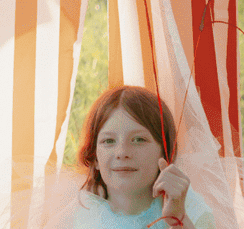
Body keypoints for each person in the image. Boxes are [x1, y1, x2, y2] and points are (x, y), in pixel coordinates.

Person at [70, 85, 215, 229]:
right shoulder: (78, 217)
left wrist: (178, 221)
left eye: (139, 139)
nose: (122, 152)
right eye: (109, 141)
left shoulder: (192, 212)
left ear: (165, 152)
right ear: (95, 157)